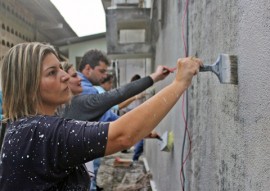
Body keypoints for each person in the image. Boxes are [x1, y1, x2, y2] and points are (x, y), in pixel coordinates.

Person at [0, 42, 202, 190]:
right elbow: (122, 134)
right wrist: (179, 83)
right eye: (52, 72)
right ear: (27, 85)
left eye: (61, 69)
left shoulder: (21, 128)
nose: (66, 77)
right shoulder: (40, 131)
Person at [60, 61, 171, 191]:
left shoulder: (61, 108)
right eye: (74, 76)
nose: (80, 79)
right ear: (63, 81)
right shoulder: (77, 103)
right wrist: (163, 78)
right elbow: (118, 95)